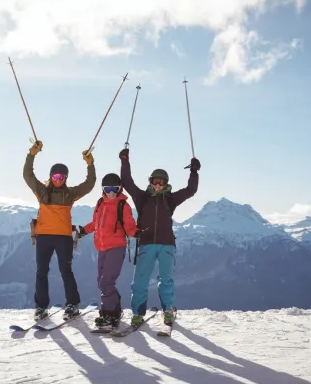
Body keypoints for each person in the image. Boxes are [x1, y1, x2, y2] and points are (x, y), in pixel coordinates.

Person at [118, 147, 200, 326]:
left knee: (166, 280)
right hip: (146, 243)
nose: (158, 185)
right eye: (155, 182)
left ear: (166, 184)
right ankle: (138, 313)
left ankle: (168, 310)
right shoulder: (141, 197)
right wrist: (124, 161)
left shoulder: (170, 199)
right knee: (140, 282)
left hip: (167, 244)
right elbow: (127, 181)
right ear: (150, 182)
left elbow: (191, 190)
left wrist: (194, 172)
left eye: (161, 183)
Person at [23, 140, 96, 320]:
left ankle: (72, 304)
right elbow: (28, 175)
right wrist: (31, 154)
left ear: (65, 179)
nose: (58, 180)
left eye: (62, 177)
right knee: (42, 272)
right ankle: (41, 307)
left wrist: (90, 164)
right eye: (56, 177)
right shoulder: (41, 191)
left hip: (63, 238)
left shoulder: (70, 194)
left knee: (66, 271)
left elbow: (90, 184)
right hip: (45, 237)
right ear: (51, 177)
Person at [78, 173, 141, 329]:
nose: (111, 192)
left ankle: (109, 313)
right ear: (103, 190)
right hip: (102, 247)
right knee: (102, 281)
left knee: (107, 281)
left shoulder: (122, 205)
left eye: (115, 189)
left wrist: (139, 233)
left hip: (116, 247)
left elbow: (129, 226)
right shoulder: (100, 203)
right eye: (108, 189)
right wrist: (83, 231)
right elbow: (96, 223)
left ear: (119, 189)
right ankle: (114, 309)